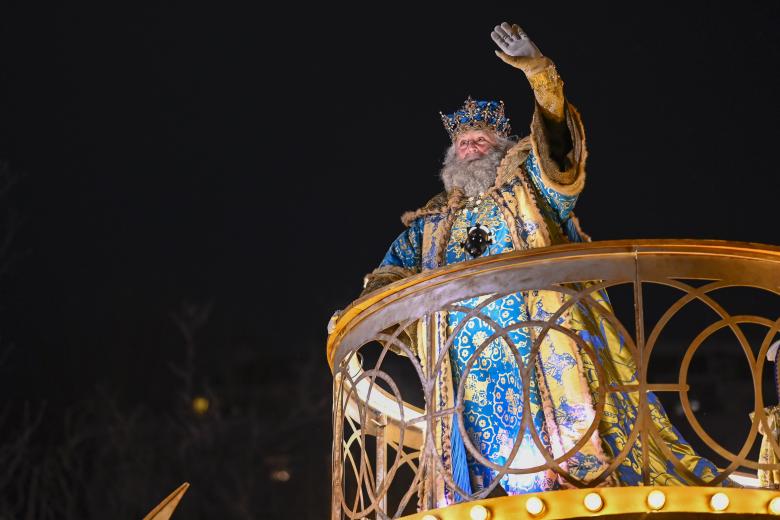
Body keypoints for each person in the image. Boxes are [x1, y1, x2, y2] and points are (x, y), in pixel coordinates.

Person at [350, 22, 725, 505]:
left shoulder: (527, 191)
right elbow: (387, 278)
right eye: (462, 143)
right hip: (466, 364)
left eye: (480, 140)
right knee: (486, 470)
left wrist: (541, 77)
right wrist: (358, 315)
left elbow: (560, 160)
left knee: (566, 457)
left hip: (541, 343)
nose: (470, 147)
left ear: (503, 148)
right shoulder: (430, 225)